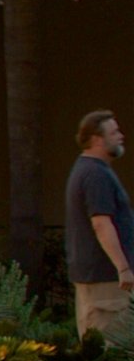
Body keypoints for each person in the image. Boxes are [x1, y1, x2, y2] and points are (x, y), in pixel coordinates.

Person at [65, 110, 134, 347]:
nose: (121, 136)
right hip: (105, 277)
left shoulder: (91, 170)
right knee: (110, 347)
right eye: (114, 132)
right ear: (97, 139)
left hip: (99, 275)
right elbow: (101, 223)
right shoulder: (95, 174)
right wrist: (123, 267)